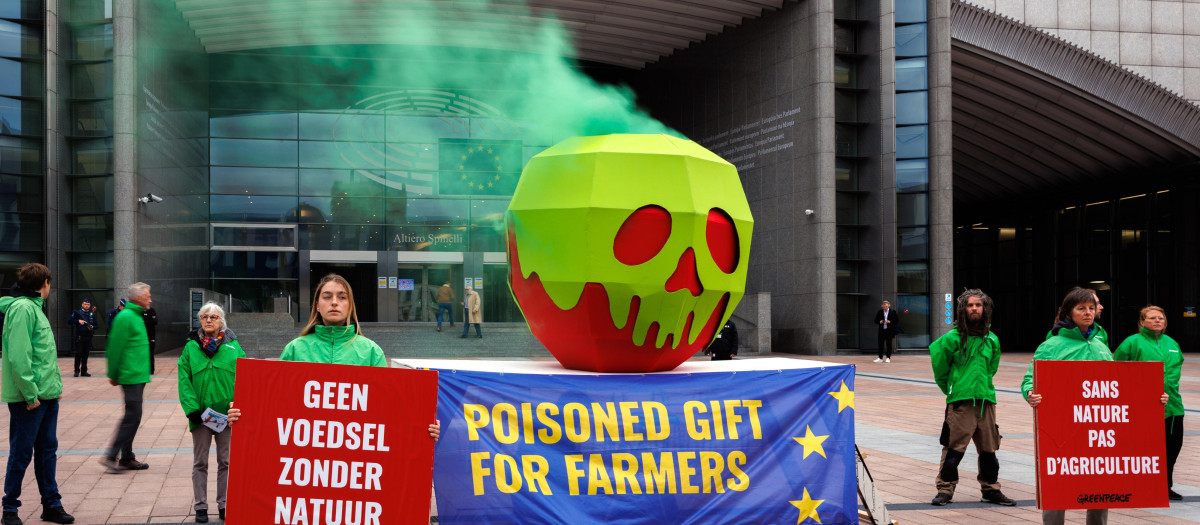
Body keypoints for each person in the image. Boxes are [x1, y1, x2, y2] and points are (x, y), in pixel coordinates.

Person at [229, 274, 439, 440]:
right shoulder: (295, 349)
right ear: (317, 306)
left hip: (355, 457)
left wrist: (421, 427)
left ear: (350, 305)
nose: (334, 302)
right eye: (327, 296)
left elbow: (389, 408)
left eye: (342, 297)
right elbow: (273, 403)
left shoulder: (371, 351)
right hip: (303, 454)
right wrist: (244, 414)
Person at [1022, 288, 1167, 525]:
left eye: (1091, 308)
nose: (1088, 313)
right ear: (1069, 312)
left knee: (1100, 479)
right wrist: (1030, 393)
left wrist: (1151, 398)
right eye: (1081, 308)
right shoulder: (1052, 345)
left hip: (1098, 428)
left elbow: (1117, 384)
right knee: (1059, 482)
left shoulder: (1100, 343)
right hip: (1065, 427)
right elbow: (1032, 378)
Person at [0, 263, 76, 525]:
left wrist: (53, 390)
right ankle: (9, 509)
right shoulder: (22, 309)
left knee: (47, 451)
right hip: (29, 400)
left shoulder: (35, 309)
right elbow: (20, 358)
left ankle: (51, 505)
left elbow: (43, 358)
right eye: (49, 283)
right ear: (44, 283)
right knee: (21, 453)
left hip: (46, 397)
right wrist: (31, 395)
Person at [928, 289, 1014, 507]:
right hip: (960, 403)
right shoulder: (950, 339)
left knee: (989, 450)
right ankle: (945, 490)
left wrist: (981, 387)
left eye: (978, 305)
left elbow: (990, 369)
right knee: (953, 449)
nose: (974, 308)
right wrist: (954, 389)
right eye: (970, 305)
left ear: (985, 308)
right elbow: (940, 371)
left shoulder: (992, 339)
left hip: (986, 401)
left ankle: (991, 490)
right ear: (962, 309)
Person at [178, 302, 243, 523]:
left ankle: (225, 504)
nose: (208, 320)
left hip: (227, 417)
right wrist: (191, 410)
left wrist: (239, 404)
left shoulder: (234, 347)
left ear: (221, 321)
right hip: (201, 417)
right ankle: (201, 506)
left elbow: (245, 378)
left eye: (213, 317)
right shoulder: (190, 347)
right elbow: (183, 379)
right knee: (200, 462)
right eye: (205, 316)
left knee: (226, 462)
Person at [1113, 305, 1185, 501]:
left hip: (1173, 407)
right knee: (1142, 450)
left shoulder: (1172, 343)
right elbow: (1115, 371)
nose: (1157, 321)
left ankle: (1165, 486)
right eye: (1152, 318)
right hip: (1141, 408)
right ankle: (1139, 485)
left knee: (1172, 448)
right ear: (1141, 322)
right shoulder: (1132, 342)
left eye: (1160, 318)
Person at [101, 282, 153, 473]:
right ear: (138, 298)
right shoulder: (125, 317)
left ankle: (127, 458)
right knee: (132, 417)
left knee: (134, 417)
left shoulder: (136, 316)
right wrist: (112, 374)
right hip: (130, 376)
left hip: (137, 376)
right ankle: (110, 456)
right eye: (147, 296)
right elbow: (114, 348)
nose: (150, 299)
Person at [67, 298, 98, 377]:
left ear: (90, 305)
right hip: (79, 337)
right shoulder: (77, 313)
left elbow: (97, 326)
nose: (86, 306)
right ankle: (76, 371)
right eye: (85, 304)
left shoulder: (91, 315)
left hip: (88, 337)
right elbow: (69, 321)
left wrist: (92, 326)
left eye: (88, 304)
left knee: (85, 355)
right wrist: (78, 321)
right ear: (82, 304)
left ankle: (84, 371)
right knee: (78, 354)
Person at [142, 305, 158, 374]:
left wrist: (144, 322)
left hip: (151, 337)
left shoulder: (152, 310)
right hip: (142, 337)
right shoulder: (140, 311)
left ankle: (151, 370)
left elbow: (155, 321)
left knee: (150, 353)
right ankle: (144, 369)